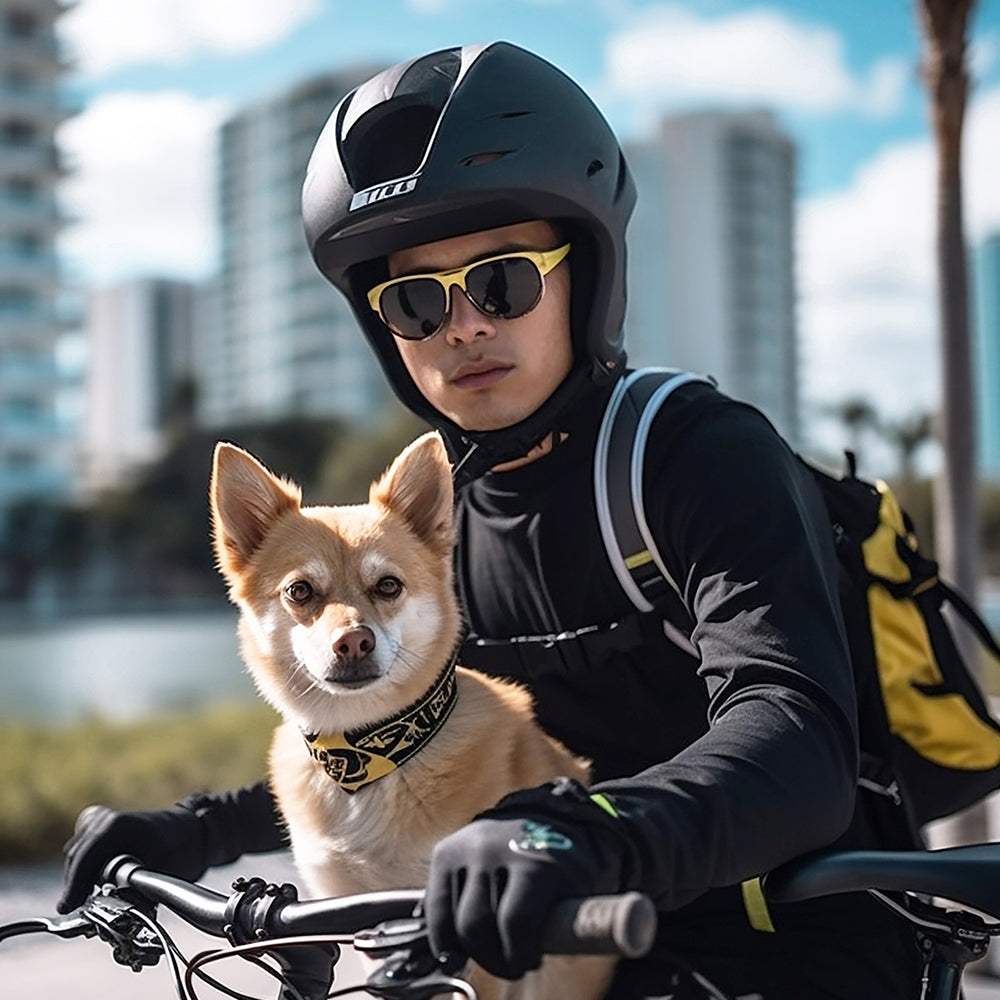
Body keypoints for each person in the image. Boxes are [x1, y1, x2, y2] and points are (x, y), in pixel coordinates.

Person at [58, 42, 924, 998]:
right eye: (417, 301)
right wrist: (190, 830)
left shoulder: (693, 456)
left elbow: (796, 735)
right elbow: (402, 740)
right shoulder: (430, 531)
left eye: (504, 281)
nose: (464, 326)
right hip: (550, 941)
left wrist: (582, 830)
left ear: (581, 275)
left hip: (787, 939)